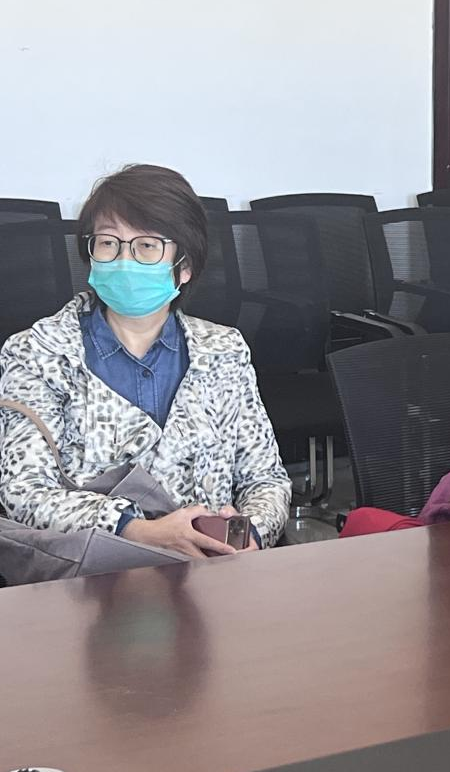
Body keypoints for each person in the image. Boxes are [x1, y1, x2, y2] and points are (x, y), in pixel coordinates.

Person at [0, 164, 291, 555]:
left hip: (213, 572)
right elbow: (23, 492)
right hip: (97, 574)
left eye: (147, 246)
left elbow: (266, 479)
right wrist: (134, 530)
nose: (124, 260)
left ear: (184, 267)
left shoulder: (224, 350)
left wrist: (250, 534)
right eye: (108, 243)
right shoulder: (37, 353)